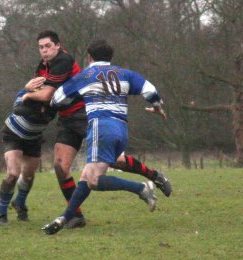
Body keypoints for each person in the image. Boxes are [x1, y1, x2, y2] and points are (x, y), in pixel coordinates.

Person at [16, 31, 171, 229]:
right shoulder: (125, 73)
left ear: (89, 57)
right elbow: (150, 91)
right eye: (41, 47)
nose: (44, 50)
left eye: (47, 46)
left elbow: (56, 98)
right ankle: (68, 218)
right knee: (77, 172)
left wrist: (29, 96)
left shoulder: (84, 74)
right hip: (116, 126)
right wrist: (157, 107)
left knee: (96, 178)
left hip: (95, 123)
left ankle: (144, 185)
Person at [0, 89, 56, 225]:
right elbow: (17, 109)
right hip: (13, 135)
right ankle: (2, 214)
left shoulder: (57, 99)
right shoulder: (27, 92)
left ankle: (19, 202)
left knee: (28, 176)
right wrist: (33, 105)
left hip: (34, 139)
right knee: (13, 174)